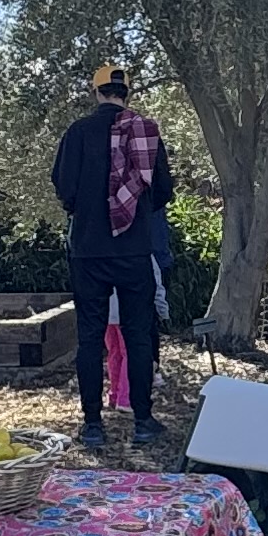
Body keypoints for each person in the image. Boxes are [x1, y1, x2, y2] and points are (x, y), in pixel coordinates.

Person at [53, 63, 169, 447]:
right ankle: (143, 420)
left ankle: (92, 425)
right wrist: (135, 214)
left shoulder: (78, 132)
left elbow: (63, 186)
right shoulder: (146, 131)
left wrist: (84, 210)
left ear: (97, 91)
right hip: (133, 250)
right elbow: (163, 190)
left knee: (90, 337)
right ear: (126, 92)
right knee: (138, 334)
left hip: (88, 249)